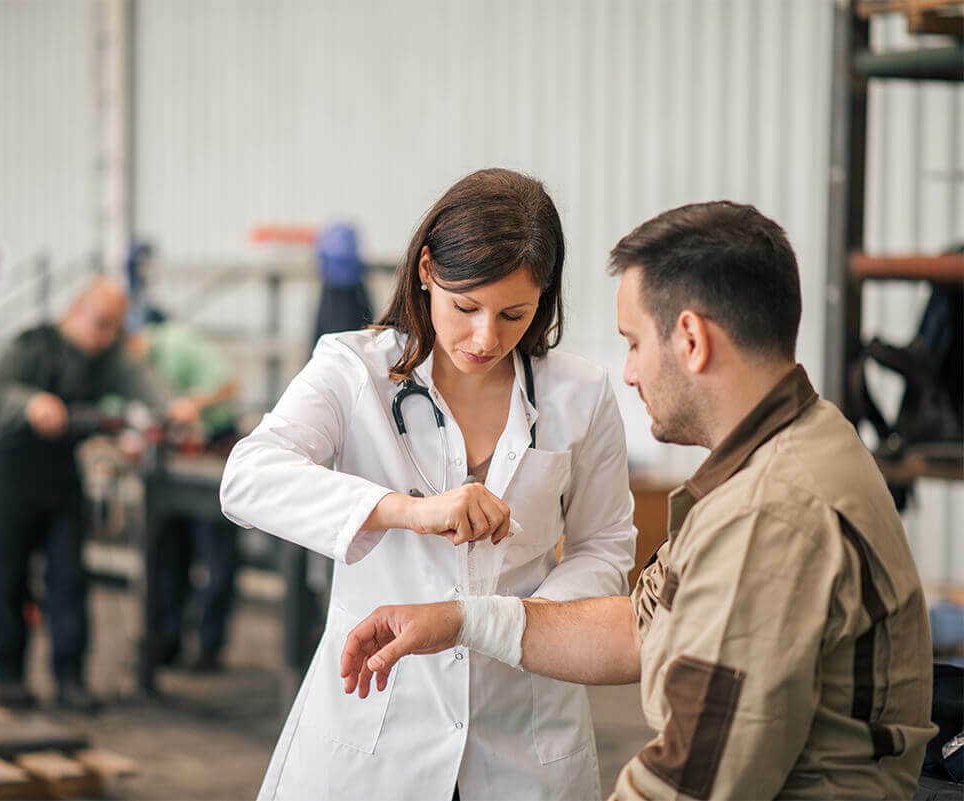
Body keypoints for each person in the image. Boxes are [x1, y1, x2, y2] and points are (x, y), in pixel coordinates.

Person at [340, 201, 937, 800]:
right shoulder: (801, 440)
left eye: (633, 343)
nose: (626, 373)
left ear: (692, 340)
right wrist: (463, 619)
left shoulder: (768, 513)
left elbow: (693, 780)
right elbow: (644, 630)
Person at [220, 168, 637, 800]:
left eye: (513, 315)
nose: (484, 338)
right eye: (464, 307)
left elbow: (604, 548)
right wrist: (402, 512)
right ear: (424, 270)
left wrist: (511, 623)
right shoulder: (353, 369)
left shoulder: (579, 392)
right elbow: (248, 477)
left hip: (525, 728)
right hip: (377, 732)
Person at [0, 277, 165, 713]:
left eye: (114, 328)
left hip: (61, 482)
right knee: (6, 581)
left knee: (68, 581)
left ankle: (70, 680)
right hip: (11, 479)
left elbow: (143, 383)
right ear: (76, 311)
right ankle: (9, 679)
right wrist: (29, 404)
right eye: (100, 324)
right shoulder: (33, 346)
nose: (105, 337)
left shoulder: (106, 358)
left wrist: (172, 406)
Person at [140, 314, 241, 673]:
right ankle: (166, 644)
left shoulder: (176, 344)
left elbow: (228, 383)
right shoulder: (130, 364)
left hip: (213, 448)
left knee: (216, 558)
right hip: (173, 454)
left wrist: (194, 404)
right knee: (169, 555)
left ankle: (208, 647)